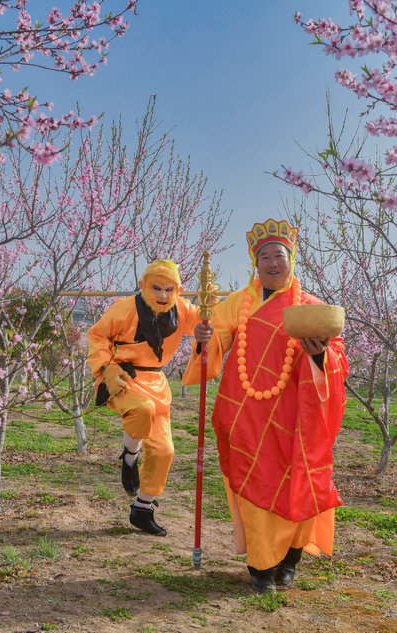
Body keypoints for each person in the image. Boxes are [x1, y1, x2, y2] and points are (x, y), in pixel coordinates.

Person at [183, 219, 349, 593]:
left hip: (298, 417)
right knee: (254, 484)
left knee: (299, 483)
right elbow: (215, 347)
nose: (272, 263)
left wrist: (320, 357)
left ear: (291, 259)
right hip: (245, 414)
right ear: (255, 264)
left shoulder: (312, 307)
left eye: (279, 255)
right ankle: (260, 567)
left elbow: (338, 359)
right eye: (264, 257)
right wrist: (202, 337)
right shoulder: (237, 304)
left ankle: (290, 558)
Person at [87, 260, 199, 536]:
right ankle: (131, 455)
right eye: (156, 288)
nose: (162, 295)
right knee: (143, 409)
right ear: (143, 286)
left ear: (179, 290)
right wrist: (106, 367)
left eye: (168, 289)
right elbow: (98, 336)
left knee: (164, 451)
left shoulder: (182, 309)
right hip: (122, 377)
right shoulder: (124, 308)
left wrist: (208, 327)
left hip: (157, 383)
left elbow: (208, 323)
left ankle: (142, 508)